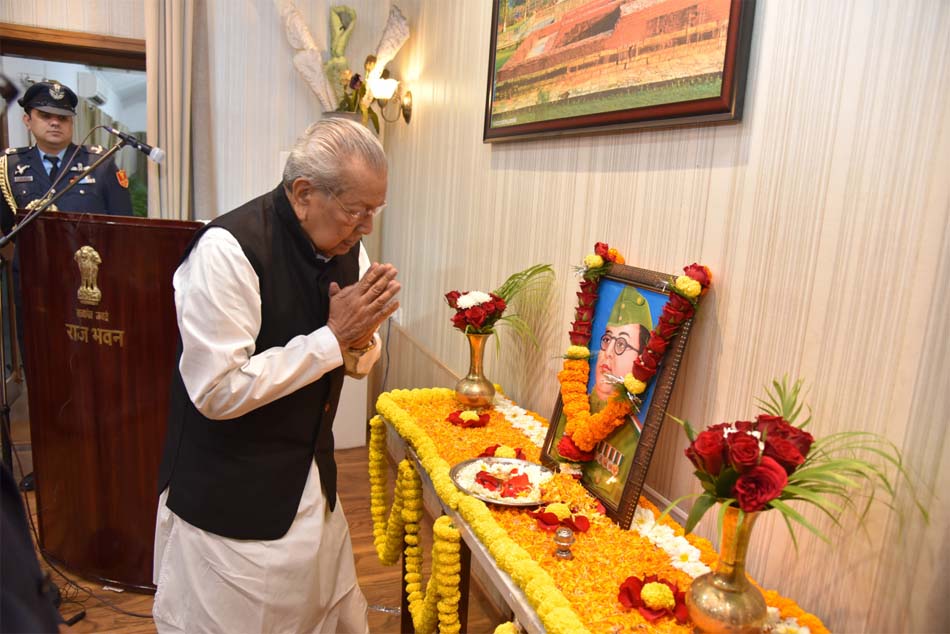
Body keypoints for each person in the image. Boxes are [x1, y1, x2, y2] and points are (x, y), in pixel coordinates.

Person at [153, 118, 399, 634]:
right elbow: (216, 390)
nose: (367, 228)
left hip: (310, 479)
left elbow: (356, 360)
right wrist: (333, 339)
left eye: (374, 211)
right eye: (357, 211)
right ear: (304, 194)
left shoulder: (348, 247)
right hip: (232, 494)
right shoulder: (228, 249)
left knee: (319, 612)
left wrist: (359, 341)